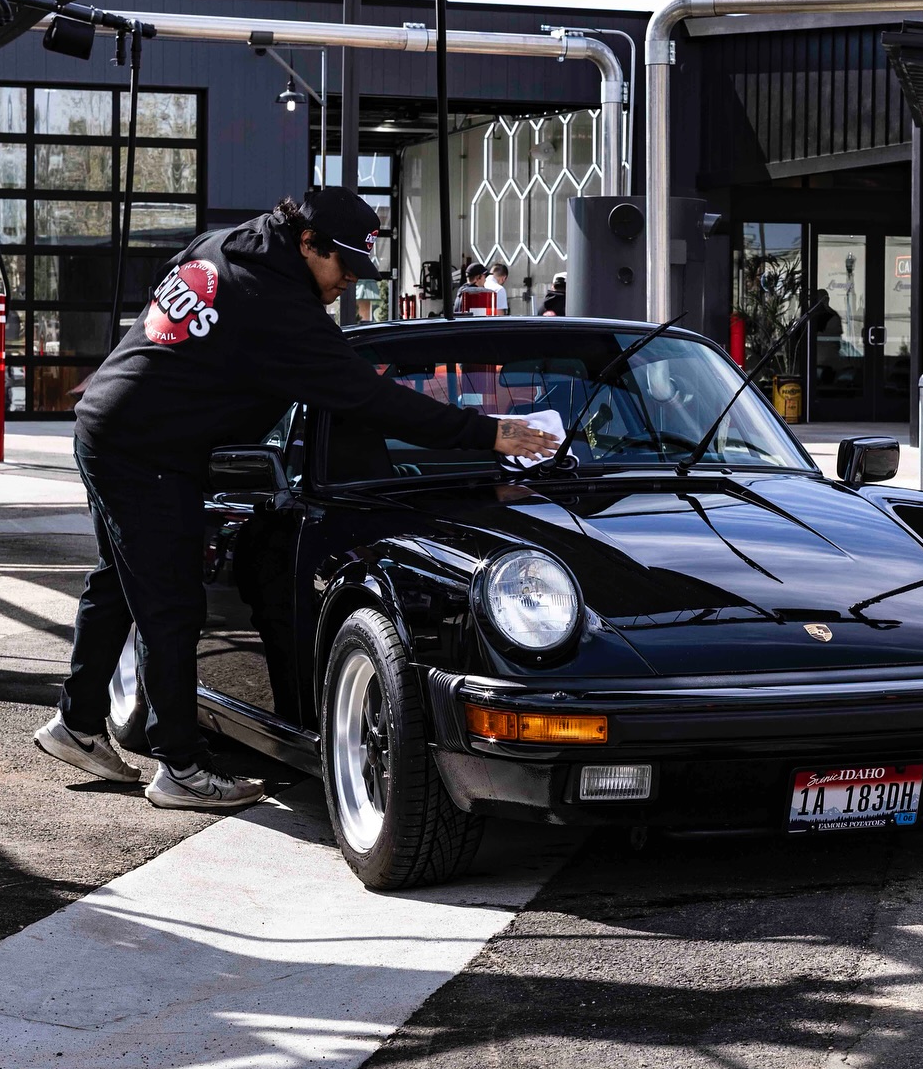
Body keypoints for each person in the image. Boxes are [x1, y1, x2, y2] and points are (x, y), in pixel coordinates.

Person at [35, 189, 557, 811]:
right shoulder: (278, 307)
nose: (349, 282)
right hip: (146, 452)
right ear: (308, 242)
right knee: (169, 605)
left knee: (118, 582)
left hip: (108, 424)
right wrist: (487, 433)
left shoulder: (225, 245)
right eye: (343, 265)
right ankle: (180, 767)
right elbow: (372, 399)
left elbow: (170, 292)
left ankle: (76, 723)